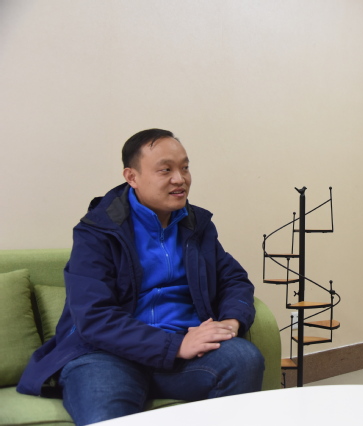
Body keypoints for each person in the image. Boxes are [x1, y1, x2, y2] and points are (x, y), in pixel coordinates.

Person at [17, 129, 264, 425]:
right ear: (132, 177)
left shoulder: (196, 225)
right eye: (165, 170)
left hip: (185, 350)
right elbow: (94, 317)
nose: (180, 179)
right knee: (105, 415)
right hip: (106, 355)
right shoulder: (97, 231)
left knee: (243, 359)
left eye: (185, 167)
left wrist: (231, 322)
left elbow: (233, 279)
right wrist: (173, 346)